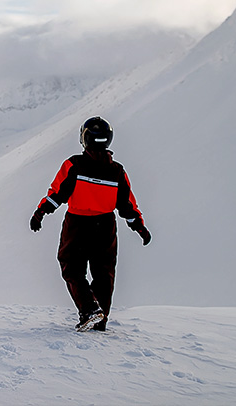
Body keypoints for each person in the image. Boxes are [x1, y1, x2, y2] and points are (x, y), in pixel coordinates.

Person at [30, 116, 151, 331]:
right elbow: (127, 205)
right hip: (105, 226)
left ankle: (89, 310)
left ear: (84, 139)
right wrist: (139, 227)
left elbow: (57, 193)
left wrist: (40, 212)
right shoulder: (117, 171)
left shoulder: (74, 164)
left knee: (71, 267)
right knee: (104, 273)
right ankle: (100, 319)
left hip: (77, 225)